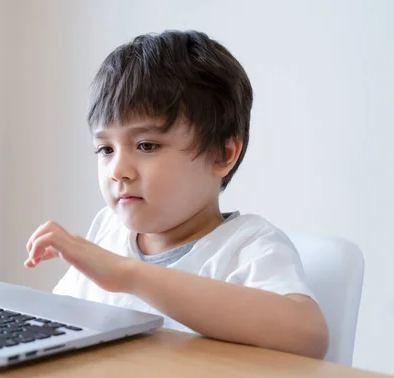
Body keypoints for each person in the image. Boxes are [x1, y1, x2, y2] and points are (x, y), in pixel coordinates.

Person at [24, 30, 328, 359]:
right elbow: (57, 326)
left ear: (222, 155)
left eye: (146, 146)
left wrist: (129, 275)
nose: (118, 170)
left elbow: (308, 335)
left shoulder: (247, 247)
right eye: (105, 149)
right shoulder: (108, 230)